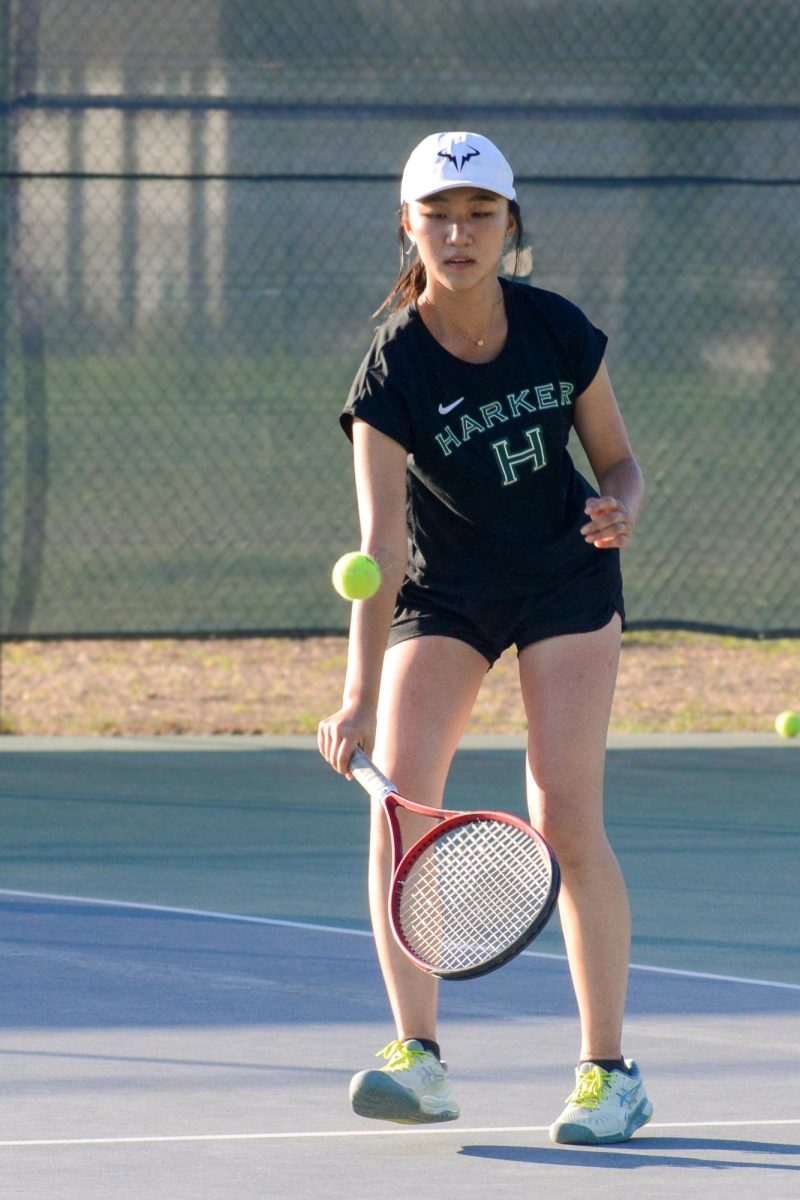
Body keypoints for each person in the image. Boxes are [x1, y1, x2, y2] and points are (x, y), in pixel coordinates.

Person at [317, 131, 651, 1145]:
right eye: (437, 215)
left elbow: (619, 463)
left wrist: (621, 507)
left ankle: (608, 1074)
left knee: (563, 815)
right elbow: (374, 549)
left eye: (478, 214)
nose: (457, 234)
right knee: (401, 807)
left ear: (510, 224)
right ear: (406, 226)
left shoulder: (554, 329)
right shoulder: (391, 366)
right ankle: (415, 1056)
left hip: (562, 578)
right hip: (448, 593)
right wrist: (357, 696)